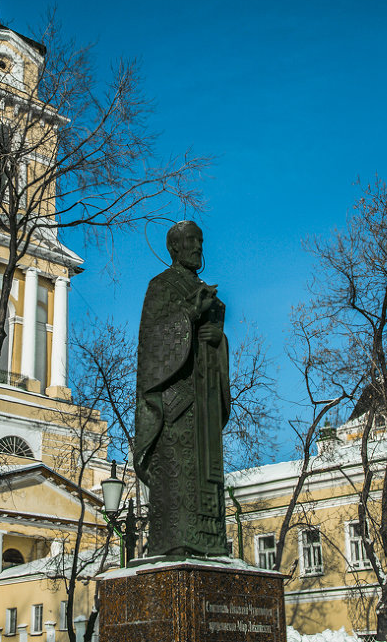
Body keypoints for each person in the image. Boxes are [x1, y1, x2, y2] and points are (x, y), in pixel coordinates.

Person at [133, 221, 231, 557]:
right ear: (174, 247)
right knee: (177, 482)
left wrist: (218, 341)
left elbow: (216, 342)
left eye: (200, 241)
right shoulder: (161, 286)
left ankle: (212, 543)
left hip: (204, 406)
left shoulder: (208, 293)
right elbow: (151, 343)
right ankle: (175, 544)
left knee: (207, 479)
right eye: (191, 241)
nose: (198, 247)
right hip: (175, 407)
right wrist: (189, 313)